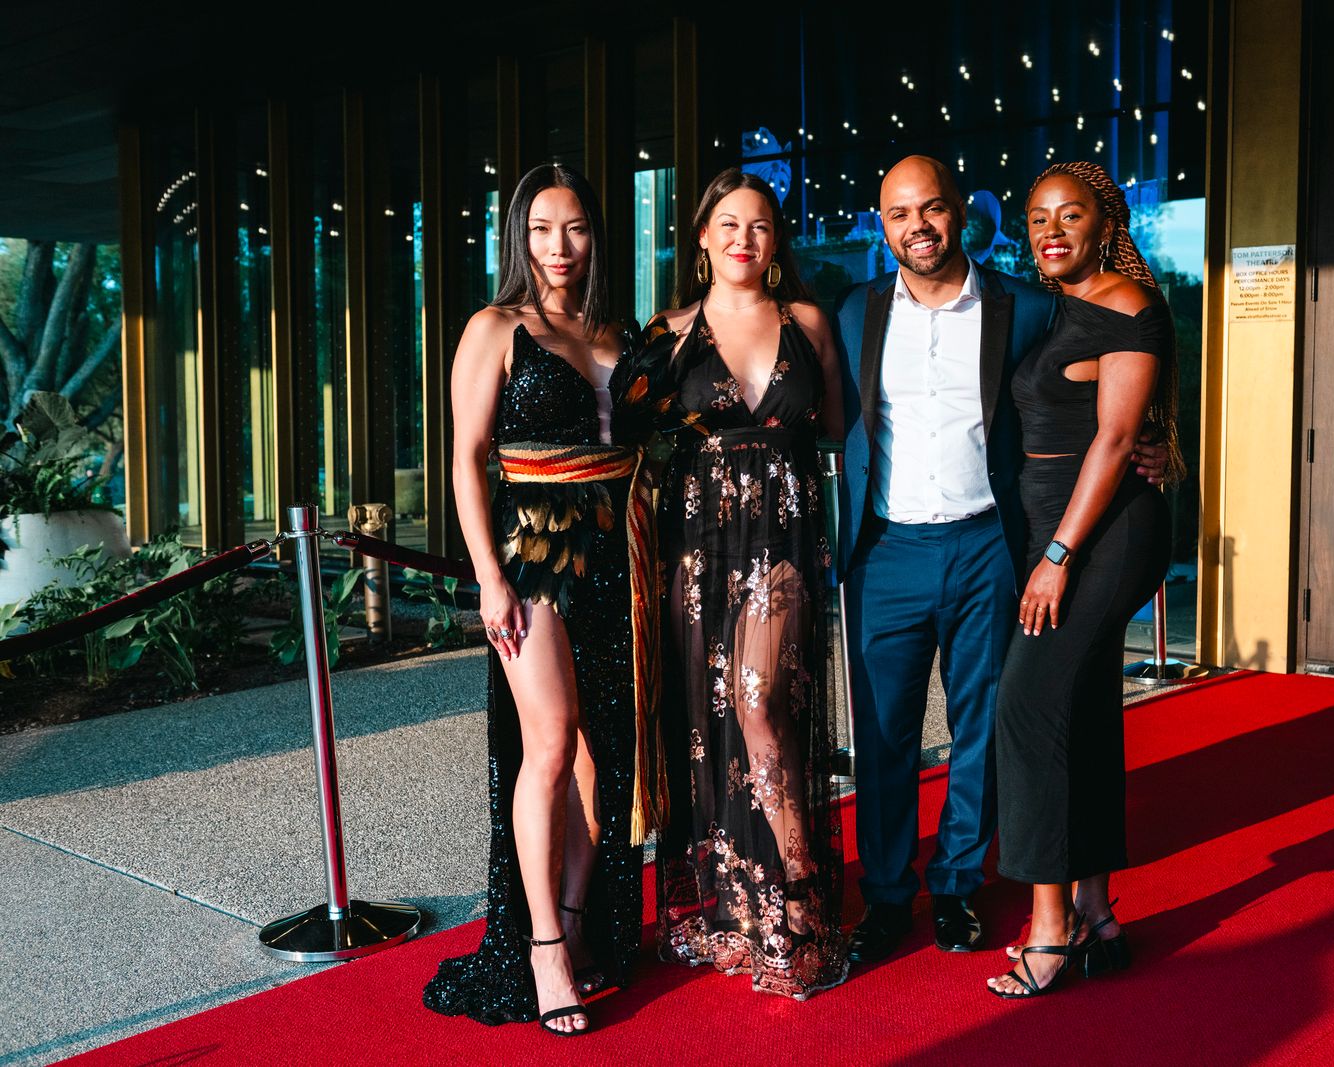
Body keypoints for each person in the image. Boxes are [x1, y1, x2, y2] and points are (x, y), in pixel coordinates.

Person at [832, 156, 1167, 964]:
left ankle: (956, 884)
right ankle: (886, 895)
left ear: (960, 213)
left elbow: (1093, 382)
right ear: (883, 226)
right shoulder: (851, 311)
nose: (917, 226)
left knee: (982, 721)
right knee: (883, 731)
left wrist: (1149, 443)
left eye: (931, 208)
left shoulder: (1025, 306)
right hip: (886, 549)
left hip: (989, 542)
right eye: (898, 213)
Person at [422, 163, 671, 1036]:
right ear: (518, 237)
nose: (558, 247)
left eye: (575, 228)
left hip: (618, 550)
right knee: (553, 741)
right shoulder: (495, 326)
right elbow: (466, 458)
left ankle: (574, 914)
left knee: (607, 760)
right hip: (533, 550)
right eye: (540, 229)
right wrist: (487, 577)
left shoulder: (618, 330)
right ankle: (543, 949)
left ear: (597, 235)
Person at [651, 168, 850, 999]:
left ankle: (798, 890)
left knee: (761, 701)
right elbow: (625, 437)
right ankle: (737, 901)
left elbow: (837, 427)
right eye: (728, 223)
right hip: (698, 549)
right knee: (712, 721)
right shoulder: (666, 334)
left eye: (760, 225)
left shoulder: (807, 322)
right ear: (702, 236)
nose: (744, 237)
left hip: (784, 541)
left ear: (776, 240)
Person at [986, 161, 1180, 999]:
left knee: (1028, 706)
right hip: (1058, 531)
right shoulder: (1050, 309)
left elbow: (1117, 438)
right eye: (1037, 218)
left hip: (1102, 537)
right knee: (1086, 711)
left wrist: (1058, 557)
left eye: (1070, 215)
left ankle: (1051, 927)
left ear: (1107, 225)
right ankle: (1097, 912)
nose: (1051, 230)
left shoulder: (1128, 305)